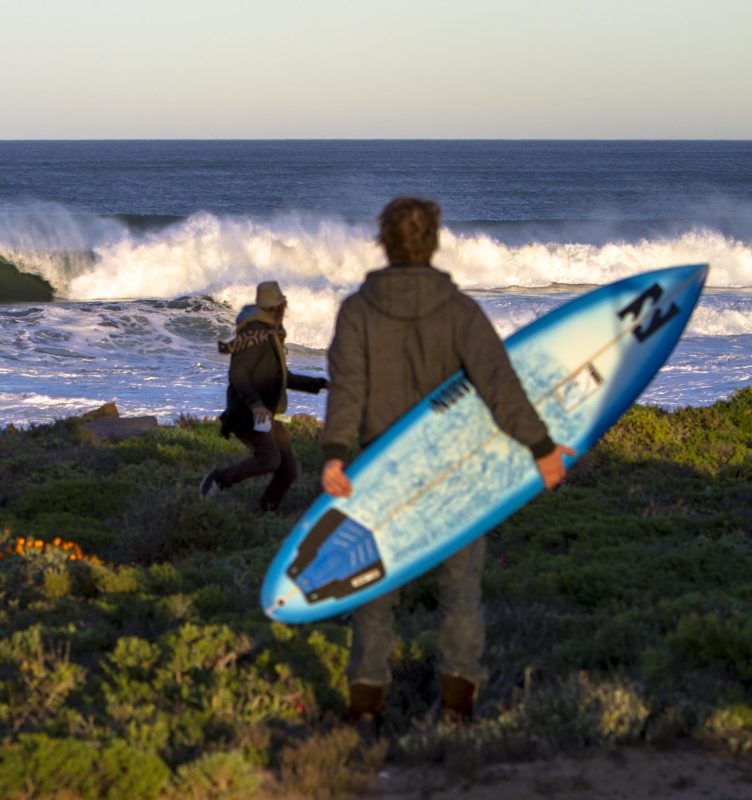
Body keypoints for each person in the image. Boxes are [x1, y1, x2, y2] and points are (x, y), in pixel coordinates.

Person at [319, 197, 576, 728]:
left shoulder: (357, 311)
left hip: (383, 469)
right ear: (434, 243)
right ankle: (457, 709)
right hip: (455, 474)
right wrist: (541, 448)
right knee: (460, 592)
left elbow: (346, 391)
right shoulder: (460, 311)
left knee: (374, 587)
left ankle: (366, 709)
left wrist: (335, 456)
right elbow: (499, 387)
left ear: (382, 242)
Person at [199, 280, 328, 512]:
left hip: (264, 415)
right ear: (278, 308)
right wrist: (256, 405)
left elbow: (283, 377)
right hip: (247, 414)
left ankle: (263, 513)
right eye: (281, 307)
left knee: (288, 471)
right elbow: (238, 374)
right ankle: (218, 479)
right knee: (269, 459)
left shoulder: (270, 333)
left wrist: (323, 383)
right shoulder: (255, 333)